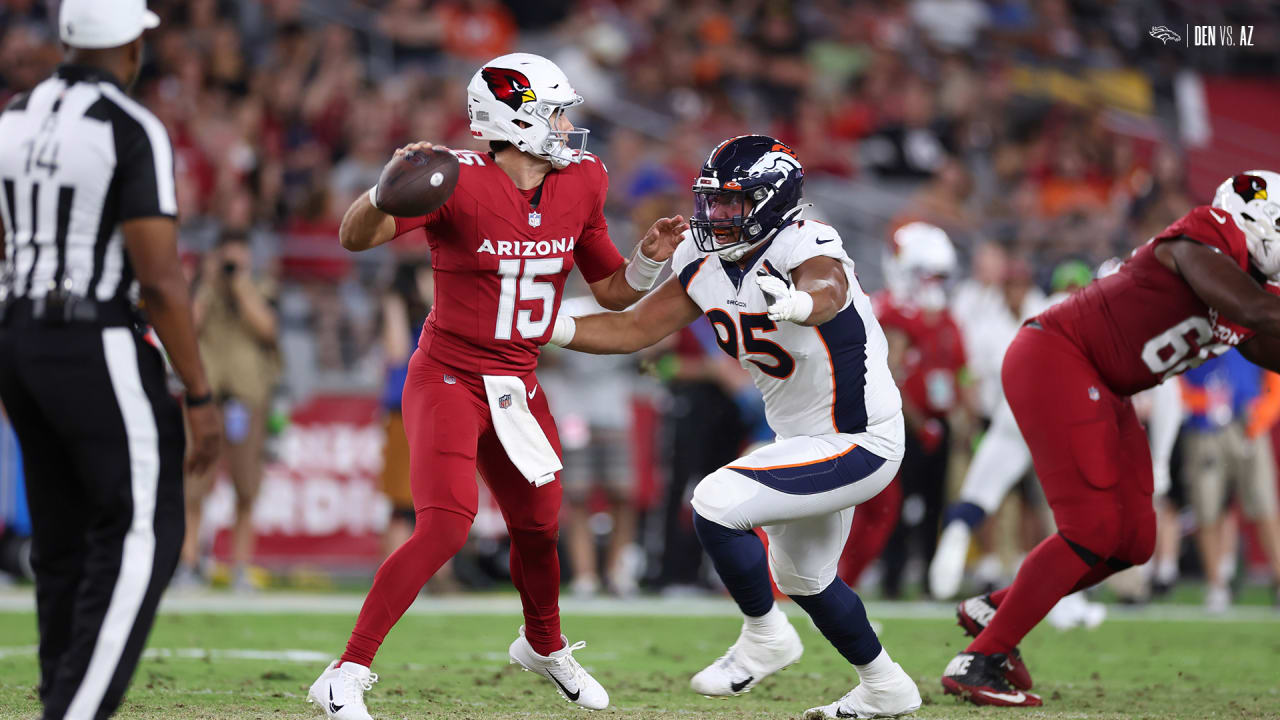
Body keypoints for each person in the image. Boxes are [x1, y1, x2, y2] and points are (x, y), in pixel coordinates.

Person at [307, 52, 688, 718]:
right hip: (449, 374)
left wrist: (648, 261)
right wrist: (380, 192)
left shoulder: (584, 181)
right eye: (556, 113)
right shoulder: (452, 179)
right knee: (447, 525)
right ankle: (345, 670)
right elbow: (353, 238)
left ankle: (544, 646)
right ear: (518, 118)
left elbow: (611, 290)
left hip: (516, 379)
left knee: (540, 525)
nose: (568, 127)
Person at [550, 135, 921, 719]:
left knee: (716, 501)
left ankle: (765, 636)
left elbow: (828, 287)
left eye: (731, 203)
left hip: (860, 438)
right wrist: (542, 327)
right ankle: (885, 684)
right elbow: (631, 330)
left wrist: (798, 304)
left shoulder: (805, 241)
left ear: (772, 202)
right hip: (803, 441)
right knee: (805, 577)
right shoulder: (705, 263)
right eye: (711, 202)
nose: (714, 216)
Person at [940, 170, 1280, 707]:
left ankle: (996, 608)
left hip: (1104, 382)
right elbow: (1256, 312)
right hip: (1060, 357)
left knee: (1135, 539)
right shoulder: (1208, 233)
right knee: (1093, 527)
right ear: (1255, 221)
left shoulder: (1249, 285)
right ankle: (980, 659)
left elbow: (1267, 340)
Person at [0, 1, 222, 717]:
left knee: (61, 539)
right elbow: (158, 277)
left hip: (19, 332)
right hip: (91, 333)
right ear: (131, 45)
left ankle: (59, 697)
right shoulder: (131, 127)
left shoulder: (14, 116)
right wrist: (199, 391)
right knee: (141, 534)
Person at [179, 229, 280, 592]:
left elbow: (268, 330)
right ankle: (188, 563)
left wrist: (241, 286)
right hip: (207, 398)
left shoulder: (262, 290)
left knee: (246, 487)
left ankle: (240, 566)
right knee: (194, 486)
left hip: (247, 398)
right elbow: (188, 329)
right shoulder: (203, 291)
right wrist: (206, 285)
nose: (231, 267)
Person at [874, 222, 969, 598]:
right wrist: (919, 420)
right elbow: (891, 373)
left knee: (934, 506)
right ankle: (892, 578)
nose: (934, 283)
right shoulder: (891, 312)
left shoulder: (947, 320)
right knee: (896, 504)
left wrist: (959, 418)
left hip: (938, 421)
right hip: (903, 422)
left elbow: (959, 373)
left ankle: (930, 579)